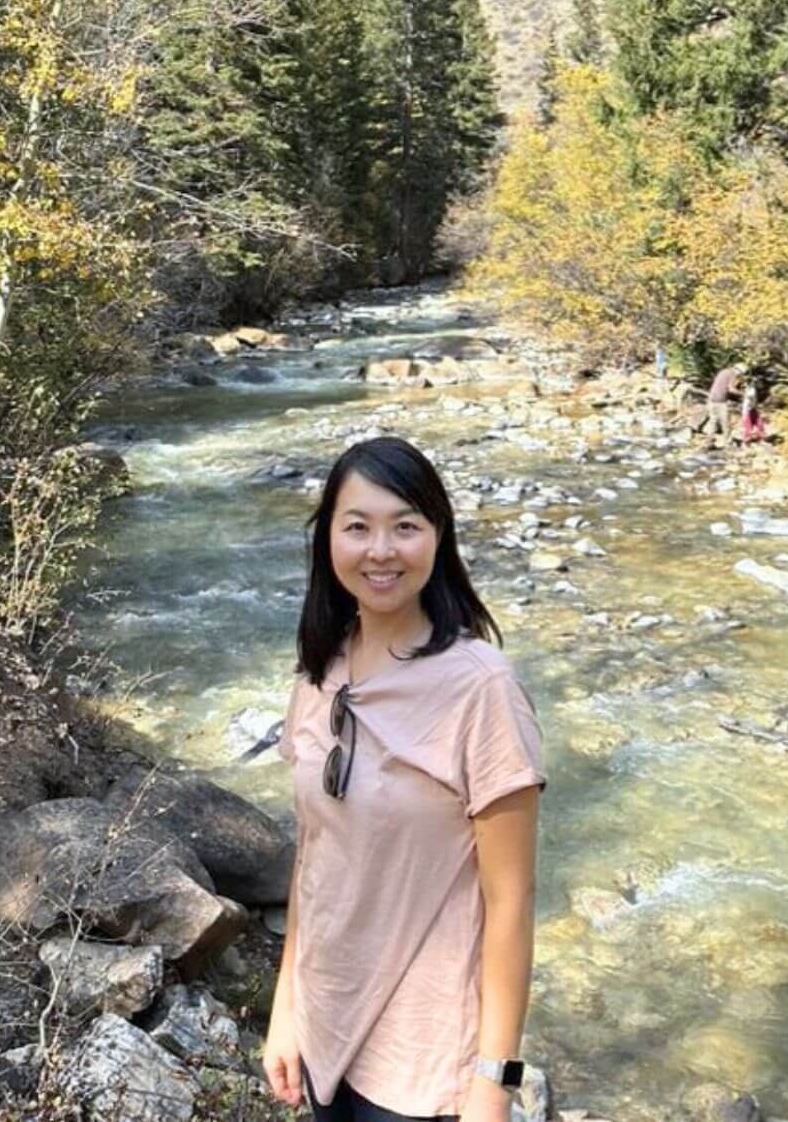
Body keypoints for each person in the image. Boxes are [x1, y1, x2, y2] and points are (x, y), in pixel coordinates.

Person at [264, 436, 545, 1122]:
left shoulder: (481, 689)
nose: (381, 551)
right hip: (326, 1027)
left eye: (405, 526)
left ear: (438, 538)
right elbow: (314, 856)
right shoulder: (319, 668)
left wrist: (493, 1082)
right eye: (357, 526)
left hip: (423, 1058)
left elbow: (510, 901)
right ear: (328, 538)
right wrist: (285, 1009)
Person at [704, 361, 746, 447]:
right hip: (720, 401)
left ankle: (708, 442)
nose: (739, 376)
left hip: (711, 399)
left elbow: (721, 386)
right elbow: (731, 389)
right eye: (741, 374)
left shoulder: (723, 371)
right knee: (725, 422)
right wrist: (743, 394)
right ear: (739, 371)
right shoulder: (732, 374)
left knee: (713, 422)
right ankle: (727, 443)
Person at [740, 376, 766, 445]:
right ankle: (746, 441)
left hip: (753, 408)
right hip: (747, 408)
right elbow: (749, 396)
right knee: (747, 425)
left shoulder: (755, 389)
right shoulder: (751, 389)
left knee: (759, 423)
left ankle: (760, 438)